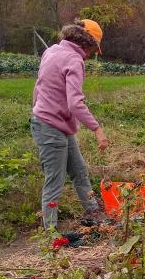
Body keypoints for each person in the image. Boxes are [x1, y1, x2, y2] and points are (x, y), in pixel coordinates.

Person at [30, 18, 109, 229]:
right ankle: (50, 232)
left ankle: (94, 213)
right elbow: (75, 103)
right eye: (93, 49)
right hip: (50, 127)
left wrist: (40, 113)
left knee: (79, 171)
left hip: (54, 124)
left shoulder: (52, 51)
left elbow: (38, 89)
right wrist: (97, 129)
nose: (91, 54)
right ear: (87, 43)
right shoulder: (75, 60)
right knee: (54, 180)